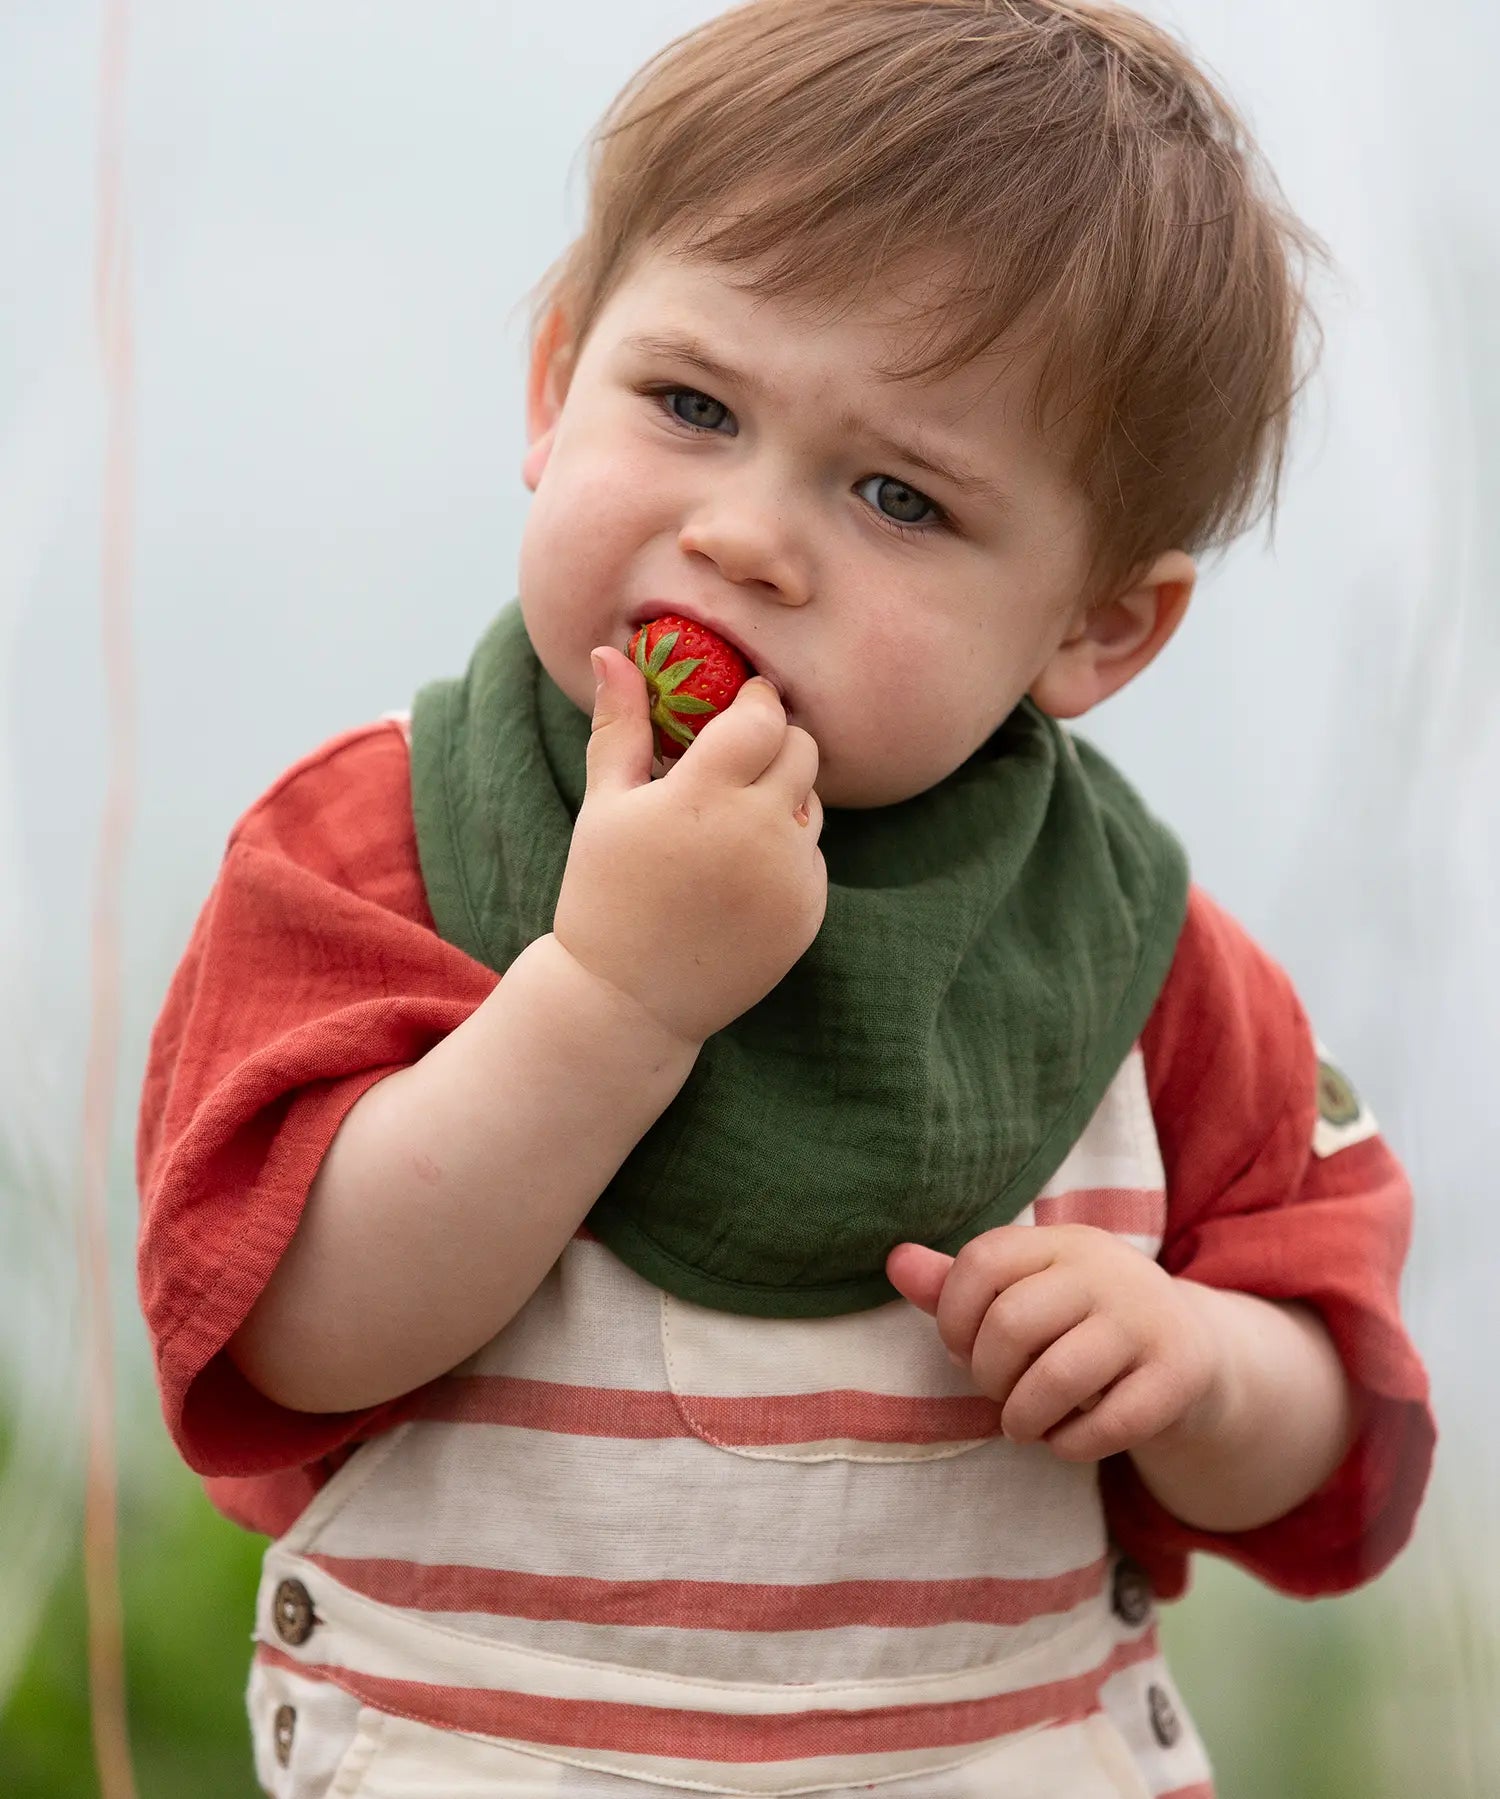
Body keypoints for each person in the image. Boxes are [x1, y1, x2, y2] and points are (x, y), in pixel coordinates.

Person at [135, 2, 1436, 1793]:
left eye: (900, 495)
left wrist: (1209, 1371)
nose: (747, 535)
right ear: (552, 380)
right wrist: (611, 997)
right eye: (690, 404)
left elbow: (1344, 1435)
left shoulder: (1141, 966)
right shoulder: (380, 848)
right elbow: (279, 1322)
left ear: (1095, 625)